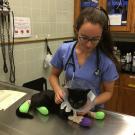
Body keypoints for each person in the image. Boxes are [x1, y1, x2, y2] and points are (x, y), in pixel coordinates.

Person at [49, 7, 119, 115]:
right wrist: (57, 90)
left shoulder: (106, 61)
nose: (89, 44)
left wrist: (91, 104)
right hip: (69, 106)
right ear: (76, 30)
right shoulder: (64, 50)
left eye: (95, 39)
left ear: (102, 36)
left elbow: (108, 92)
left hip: (92, 111)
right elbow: (53, 75)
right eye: (84, 37)